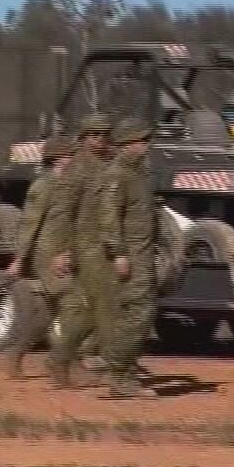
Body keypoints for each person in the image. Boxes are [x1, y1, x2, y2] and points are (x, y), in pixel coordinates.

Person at [1, 133, 75, 380]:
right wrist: (19, 259)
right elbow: (30, 224)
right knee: (73, 304)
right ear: (56, 159)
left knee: (43, 315)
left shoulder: (68, 184)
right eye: (69, 155)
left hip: (66, 253)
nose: (73, 158)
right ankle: (65, 364)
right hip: (47, 254)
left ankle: (15, 357)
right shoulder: (43, 186)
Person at [47, 115, 113, 388]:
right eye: (93, 135)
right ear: (83, 138)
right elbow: (62, 212)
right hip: (86, 248)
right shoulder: (77, 169)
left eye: (103, 135)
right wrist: (60, 251)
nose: (99, 141)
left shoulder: (107, 166)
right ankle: (63, 361)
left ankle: (68, 359)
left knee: (104, 310)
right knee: (98, 310)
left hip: (106, 247)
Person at [97, 119, 159, 400]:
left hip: (144, 254)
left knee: (139, 313)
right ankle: (118, 371)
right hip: (131, 256)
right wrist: (119, 253)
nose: (146, 146)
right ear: (127, 145)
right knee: (138, 313)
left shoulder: (139, 175)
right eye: (141, 141)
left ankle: (125, 374)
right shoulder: (118, 175)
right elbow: (109, 218)